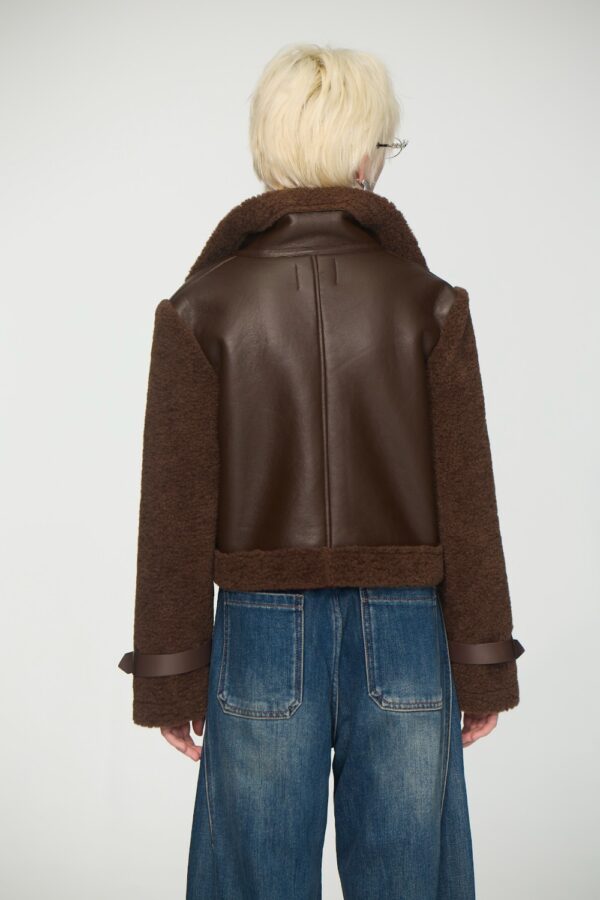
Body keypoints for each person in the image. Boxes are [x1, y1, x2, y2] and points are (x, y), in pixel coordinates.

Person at [118, 42, 525, 900]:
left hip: (261, 634)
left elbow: (175, 512)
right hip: (406, 630)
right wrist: (483, 660)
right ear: (362, 153)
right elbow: (468, 499)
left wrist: (170, 674)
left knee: (253, 884)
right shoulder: (431, 302)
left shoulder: (201, 308)